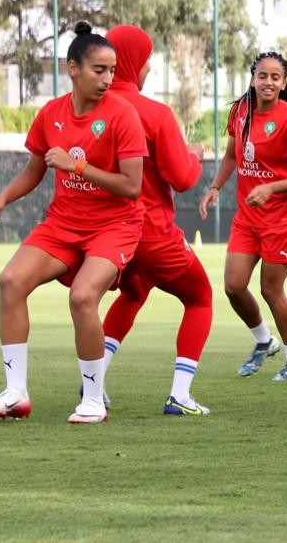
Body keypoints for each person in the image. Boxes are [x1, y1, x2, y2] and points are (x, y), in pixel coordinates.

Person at [0, 21, 146, 423]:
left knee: (83, 297)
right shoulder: (51, 114)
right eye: (99, 70)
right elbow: (34, 172)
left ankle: (93, 398)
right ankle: (16, 393)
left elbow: (132, 187)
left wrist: (79, 166)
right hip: (63, 223)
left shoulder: (123, 115)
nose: (108, 79)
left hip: (115, 225)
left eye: (112, 70)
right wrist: (1, 199)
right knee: (10, 281)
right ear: (73, 68)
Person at [97, 24, 214, 416]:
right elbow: (182, 178)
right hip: (151, 232)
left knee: (133, 293)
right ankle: (180, 394)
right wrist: (194, 155)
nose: (148, 70)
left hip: (106, 235)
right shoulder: (154, 112)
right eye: (146, 62)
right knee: (200, 297)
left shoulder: (88, 107)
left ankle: (93, 386)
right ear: (134, 63)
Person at [198, 51, 287, 381]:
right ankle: (264, 341)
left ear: (284, 83)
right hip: (248, 218)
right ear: (252, 78)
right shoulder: (240, 111)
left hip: (285, 218)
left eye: (275, 77)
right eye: (263, 76)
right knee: (233, 286)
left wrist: (272, 188)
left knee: (270, 290)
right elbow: (230, 155)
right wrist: (215, 188)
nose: (268, 82)